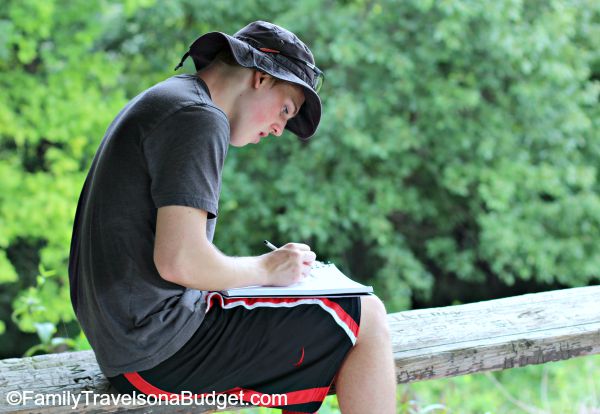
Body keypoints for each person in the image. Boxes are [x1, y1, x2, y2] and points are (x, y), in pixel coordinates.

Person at [68, 20, 396, 413]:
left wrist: (268, 271)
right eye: (286, 110)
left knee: (337, 314)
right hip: (158, 350)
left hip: (129, 342)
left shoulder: (174, 98)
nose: (279, 129)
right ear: (260, 77)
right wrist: (267, 269)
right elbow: (179, 260)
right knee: (367, 316)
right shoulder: (199, 117)